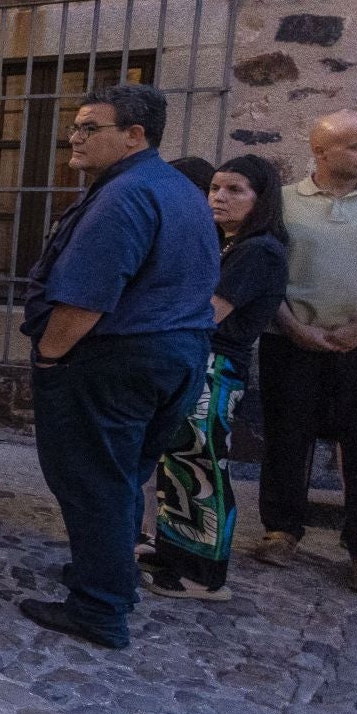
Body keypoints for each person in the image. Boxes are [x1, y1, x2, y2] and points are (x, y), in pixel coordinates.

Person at [15, 84, 220, 647]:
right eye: (74, 127)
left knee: (93, 480)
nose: (74, 139)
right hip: (174, 354)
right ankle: (108, 576)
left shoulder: (125, 194)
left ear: (134, 135)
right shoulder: (176, 187)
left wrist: (50, 356)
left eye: (88, 128)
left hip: (117, 359)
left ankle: (99, 607)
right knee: (124, 474)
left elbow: (85, 298)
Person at [253, 110, 357, 597]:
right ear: (321, 151)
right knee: (286, 437)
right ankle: (280, 531)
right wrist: (293, 327)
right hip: (292, 342)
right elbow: (265, 271)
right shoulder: (284, 203)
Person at [143, 155, 289, 601]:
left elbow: (209, 313)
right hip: (200, 361)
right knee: (179, 463)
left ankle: (202, 575)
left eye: (235, 190)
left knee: (203, 466)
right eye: (215, 189)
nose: (219, 198)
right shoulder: (233, 243)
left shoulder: (259, 249)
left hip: (217, 367)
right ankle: (173, 556)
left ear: (261, 200)